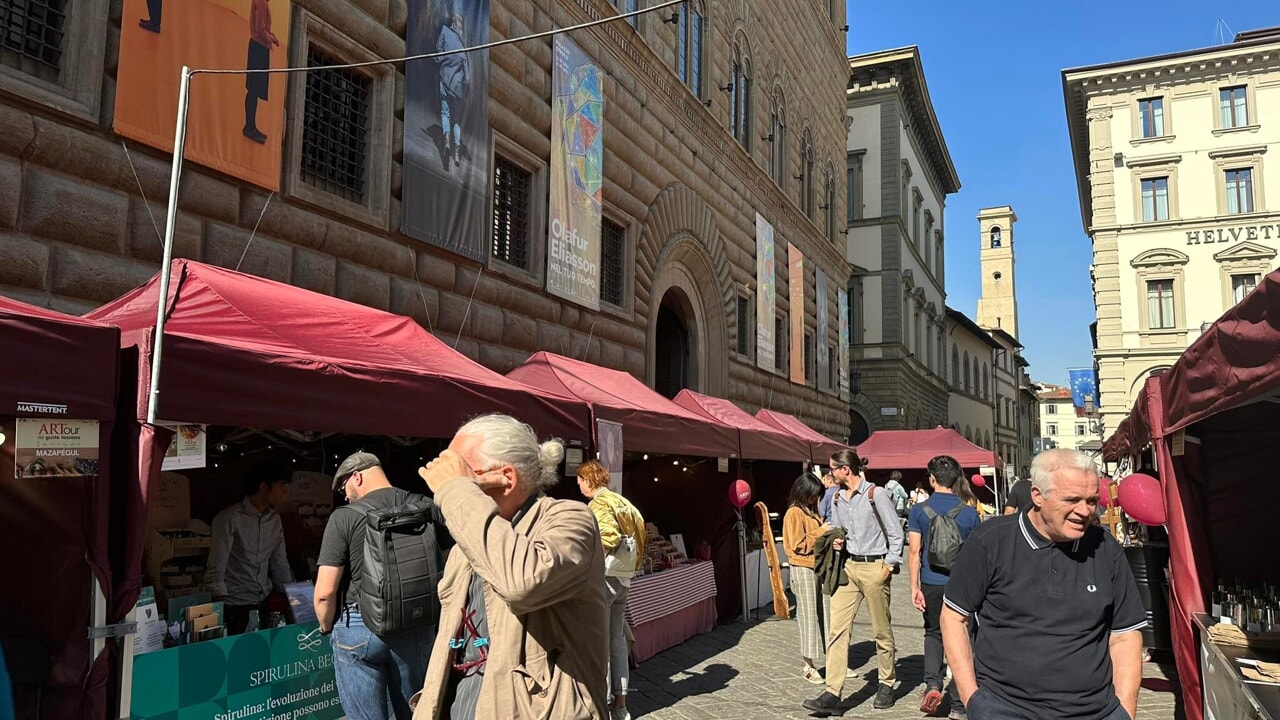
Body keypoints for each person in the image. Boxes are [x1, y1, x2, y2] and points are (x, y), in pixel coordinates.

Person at [412, 414, 608, 719]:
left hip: (536, 708)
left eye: (462, 474)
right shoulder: (470, 539)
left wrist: (458, 491)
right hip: (464, 702)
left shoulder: (571, 519)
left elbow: (523, 582)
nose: (443, 494)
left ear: (507, 477)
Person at [941, 449, 1147, 720]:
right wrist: (974, 701)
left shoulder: (1105, 548)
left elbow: (1125, 635)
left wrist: (1124, 712)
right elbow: (954, 618)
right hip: (1005, 710)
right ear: (1037, 495)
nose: (1085, 511)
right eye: (1072, 500)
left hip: (1095, 711)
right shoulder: (990, 541)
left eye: (1091, 500)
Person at [315, 452, 444, 720]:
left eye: (343, 488)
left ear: (357, 477)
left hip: (360, 627)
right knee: (417, 713)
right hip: (417, 625)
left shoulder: (344, 517)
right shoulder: (427, 506)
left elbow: (325, 593)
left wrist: (327, 629)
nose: (345, 495)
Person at [804, 450, 904, 715]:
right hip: (847, 568)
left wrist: (889, 565)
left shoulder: (876, 494)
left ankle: (886, 683)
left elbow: (895, 531)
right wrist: (837, 540)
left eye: (832, 469)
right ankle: (832, 692)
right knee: (837, 630)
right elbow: (837, 528)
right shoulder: (836, 497)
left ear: (845, 469)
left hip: (874, 567)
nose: (830, 474)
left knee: (881, 630)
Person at [907, 456, 980, 719]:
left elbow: (914, 551)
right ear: (957, 480)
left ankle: (933, 685)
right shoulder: (970, 513)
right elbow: (976, 556)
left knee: (933, 633)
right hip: (960, 585)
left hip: (931, 583)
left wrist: (914, 586)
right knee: (965, 638)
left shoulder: (918, 511)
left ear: (932, 479)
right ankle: (960, 703)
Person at [576, 459, 645, 720]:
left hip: (606, 577)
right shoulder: (623, 501)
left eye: (580, 480)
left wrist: (590, 571)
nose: (579, 485)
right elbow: (639, 534)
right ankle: (621, 705)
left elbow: (607, 537)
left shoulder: (599, 503)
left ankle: (601, 705)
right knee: (615, 640)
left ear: (588, 479)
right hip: (624, 577)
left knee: (599, 642)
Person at [204, 460, 294, 635]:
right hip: (233, 608)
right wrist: (220, 616)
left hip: (264, 605)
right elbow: (216, 570)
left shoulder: (274, 520)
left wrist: (293, 599)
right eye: (281, 485)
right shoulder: (229, 518)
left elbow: (280, 563)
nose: (285, 491)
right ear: (264, 487)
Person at [782, 473, 833, 684]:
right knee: (808, 616)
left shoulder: (810, 512)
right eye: (813, 495)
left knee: (827, 614)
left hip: (818, 568)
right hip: (803, 570)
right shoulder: (794, 513)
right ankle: (808, 665)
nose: (816, 499)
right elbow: (797, 544)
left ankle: (833, 660)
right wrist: (821, 532)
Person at [435, 13, 470, 169]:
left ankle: (446, 142)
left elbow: (438, 49)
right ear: (461, 28)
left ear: (452, 24)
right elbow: (468, 79)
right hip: (457, 89)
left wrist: (443, 61)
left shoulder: (444, 31)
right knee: (456, 120)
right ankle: (456, 152)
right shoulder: (463, 50)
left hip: (444, 79)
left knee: (445, 113)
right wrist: (461, 80)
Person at [243, 0, 280, 144]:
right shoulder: (262, 2)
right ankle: (250, 127)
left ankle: (251, 125)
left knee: (254, 90)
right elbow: (260, 29)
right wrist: (272, 39)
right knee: (253, 90)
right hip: (259, 48)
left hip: (258, 47)